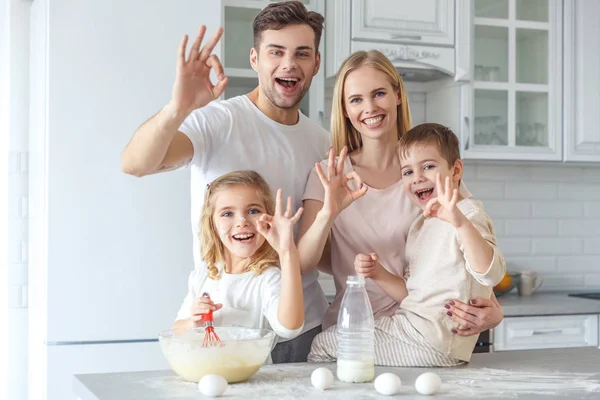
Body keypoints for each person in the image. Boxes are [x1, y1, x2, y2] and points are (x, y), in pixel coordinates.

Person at [121, 1, 329, 362]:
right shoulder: (219, 121)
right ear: (254, 58)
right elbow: (135, 164)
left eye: (302, 53)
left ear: (316, 63)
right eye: (275, 52)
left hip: (300, 328)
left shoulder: (322, 142)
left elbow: (310, 250)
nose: (289, 64)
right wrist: (178, 107)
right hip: (225, 328)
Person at [297, 50, 504, 343]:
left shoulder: (427, 172)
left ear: (397, 95)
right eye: (356, 99)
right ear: (344, 109)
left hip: (428, 332)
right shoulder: (329, 175)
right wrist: (328, 213)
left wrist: (494, 309)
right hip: (353, 334)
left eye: (379, 93)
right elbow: (305, 262)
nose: (369, 107)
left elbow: (465, 240)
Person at [309, 123, 506, 366]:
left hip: (427, 339)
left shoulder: (466, 212)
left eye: (428, 167)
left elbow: (491, 273)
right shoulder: (422, 224)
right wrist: (378, 273)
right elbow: (412, 295)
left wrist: (461, 223)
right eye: (407, 172)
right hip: (420, 334)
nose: (418, 177)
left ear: (456, 171)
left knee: (324, 345)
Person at [172, 171, 305, 345]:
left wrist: (287, 252)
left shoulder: (266, 278)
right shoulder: (204, 274)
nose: (242, 221)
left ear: (268, 218)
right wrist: (193, 322)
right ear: (211, 223)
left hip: (249, 372)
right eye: (227, 213)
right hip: (206, 371)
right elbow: (176, 330)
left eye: (253, 211)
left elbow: (289, 328)